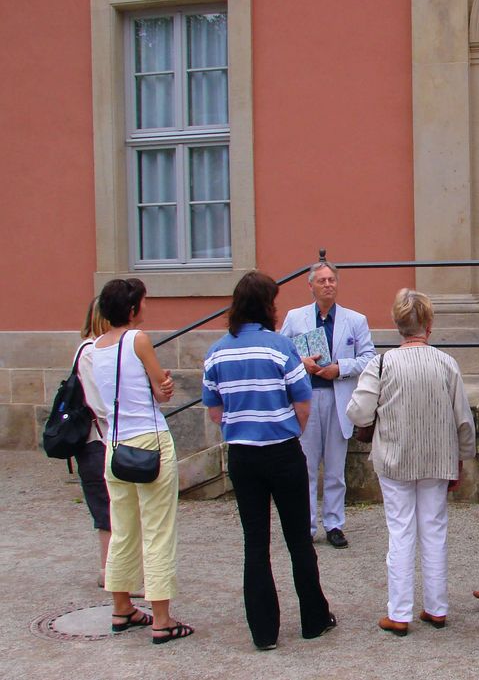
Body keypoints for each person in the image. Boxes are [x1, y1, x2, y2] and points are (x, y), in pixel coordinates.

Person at [202, 271, 336, 650]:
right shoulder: (280, 347)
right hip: (282, 450)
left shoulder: (216, 352)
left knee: (255, 543)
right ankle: (313, 619)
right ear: (266, 306)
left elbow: (214, 410)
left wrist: (239, 425)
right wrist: (289, 428)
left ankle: (263, 631)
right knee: (298, 540)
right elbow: (303, 401)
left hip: (243, 454)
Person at [346, 289, 475, 637]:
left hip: (395, 457)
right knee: (434, 529)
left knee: (400, 530)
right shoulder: (446, 363)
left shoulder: (381, 364)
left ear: (397, 324)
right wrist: (462, 458)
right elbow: (463, 420)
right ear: (428, 324)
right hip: (437, 457)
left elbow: (358, 412)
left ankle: (399, 612)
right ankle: (437, 607)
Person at [91, 278, 192, 644]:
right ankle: (161, 619)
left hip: (115, 442)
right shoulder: (138, 339)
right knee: (158, 529)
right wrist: (164, 386)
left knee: (123, 528)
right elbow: (161, 391)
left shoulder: (95, 347)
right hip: (150, 439)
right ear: (132, 309)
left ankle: (121, 607)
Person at [279, 261, 375, 549]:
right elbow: (281, 354)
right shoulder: (295, 318)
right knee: (306, 466)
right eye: (322, 280)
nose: (328, 285)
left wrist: (340, 368)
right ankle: (306, 526)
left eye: (332, 280)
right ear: (310, 285)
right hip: (307, 397)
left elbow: (369, 357)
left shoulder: (355, 319)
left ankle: (334, 523)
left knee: (335, 467)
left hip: (338, 396)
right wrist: (301, 363)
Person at [74, 297, 112, 588]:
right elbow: (99, 404)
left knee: (111, 506)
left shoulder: (99, 351)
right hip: (96, 440)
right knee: (106, 508)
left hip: (102, 438)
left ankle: (114, 570)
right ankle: (108, 571)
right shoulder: (89, 352)